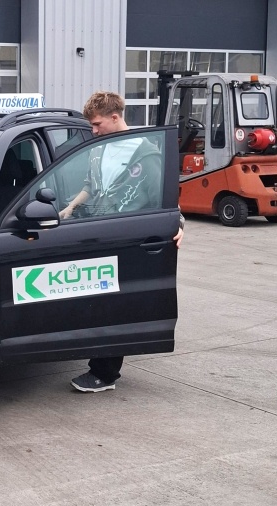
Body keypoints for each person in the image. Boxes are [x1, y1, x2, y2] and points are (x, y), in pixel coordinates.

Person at [59, 91, 184, 393]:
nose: (93, 131)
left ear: (115, 117)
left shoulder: (147, 154)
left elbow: (164, 197)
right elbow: (90, 186)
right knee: (96, 302)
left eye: (97, 124)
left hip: (128, 237)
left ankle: (104, 373)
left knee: (114, 306)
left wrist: (179, 224)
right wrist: (70, 208)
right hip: (97, 233)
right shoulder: (98, 149)